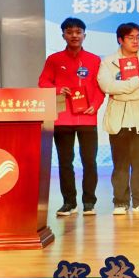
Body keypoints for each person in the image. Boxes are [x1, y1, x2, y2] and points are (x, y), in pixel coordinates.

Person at [38, 17, 105, 216]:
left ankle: (89, 202)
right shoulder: (54, 59)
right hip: (62, 117)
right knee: (65, 162)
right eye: (69, 32)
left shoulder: (94, 60)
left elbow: (100, 87)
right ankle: (69, 202)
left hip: (87, 117)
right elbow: (43, 82)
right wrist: (58, 89)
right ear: (63, 35)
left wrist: (95, 105)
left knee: (89, 161)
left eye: (78, 32)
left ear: (84, 35)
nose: (74, 35)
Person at [97, 22, 139, 215]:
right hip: (119, 119)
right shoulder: (108, 62)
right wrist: (134, 83)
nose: (135, 41)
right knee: (120, 164)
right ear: (120, 40)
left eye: (138, 37)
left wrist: (121, 93)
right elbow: (107, 86)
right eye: (131, 37)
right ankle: (120, 202)